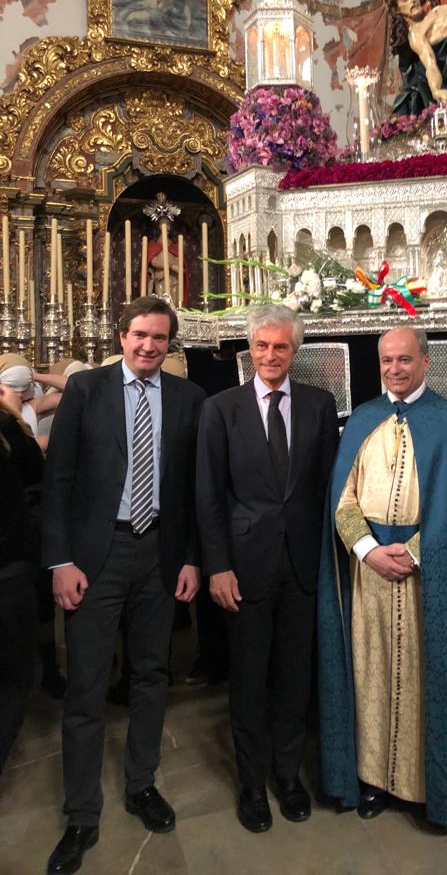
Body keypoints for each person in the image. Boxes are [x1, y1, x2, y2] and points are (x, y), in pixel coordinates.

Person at [316, 325, 447, 849]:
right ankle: (375, 782)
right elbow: (343, 498)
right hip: (369, 576)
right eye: (386, 361)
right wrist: (367, 549)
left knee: (430, 677)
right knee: (371, 678)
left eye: (405, 359)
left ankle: (432, 790)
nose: (395, 369)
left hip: (429, 572)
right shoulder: (362, 419)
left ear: (426, 361)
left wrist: (416, 550)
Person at [41, 296, 204, 875]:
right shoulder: (86, 391)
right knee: (86, 686)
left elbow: (191, 489)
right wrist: (61, 561)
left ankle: (141, 785)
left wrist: (189, 558)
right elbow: (58, 480)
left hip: (159, 553)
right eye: (139, 335)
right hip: (96, 556)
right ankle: (82, 812)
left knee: (151, 675)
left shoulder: (188, 399)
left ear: (170, 343)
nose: (148, 346)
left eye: (159, 338)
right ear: (121, 333)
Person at [196, 304, 338, 833]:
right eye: (262, 346)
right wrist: (218, 567)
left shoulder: (320, 405)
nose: (271, 355)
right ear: (249, 350)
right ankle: (252, 786)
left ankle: (288, 776)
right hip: (245, 569)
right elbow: (208, 497)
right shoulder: (221, 409)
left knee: (294, 678)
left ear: (294, 351)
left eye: (281, 346)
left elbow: (327, 487)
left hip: (303, 565)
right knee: (250, 682)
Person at [0, 384, 44, 774]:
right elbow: (34, 468)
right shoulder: (5, 424)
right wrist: (14, 416)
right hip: (9, 565)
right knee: (13, 673)